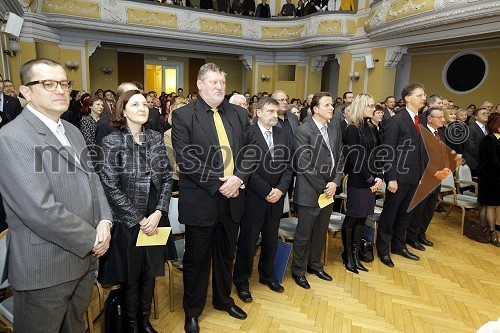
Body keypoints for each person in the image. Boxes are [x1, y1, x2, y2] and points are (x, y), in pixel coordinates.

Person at [0, 58, 112, 332]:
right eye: (48, 83)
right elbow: (39, 209)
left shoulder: (71, 130)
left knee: (74, 327)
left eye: (64, 83)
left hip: (84, 260)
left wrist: (105, 221)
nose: (60, 90)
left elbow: (93, 179)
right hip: (47, 266)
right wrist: (92, 238)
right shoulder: (12, 136)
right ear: (25, 91)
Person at [171, 63, 257, 333]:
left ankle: (223, 299)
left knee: (225, 255)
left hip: (233, 198)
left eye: (222, 82)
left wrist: (238, 178)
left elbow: (251, 150)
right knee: (196, 260)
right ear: (199, 85)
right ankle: (193, 311)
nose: (219, 87)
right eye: (213, 82)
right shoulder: (184, 115)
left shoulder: (239, 114)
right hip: (201, 200)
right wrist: (219, 184)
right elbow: (186, 159)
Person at [98, 89, 174, 333]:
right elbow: (109, 185)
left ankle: (144, 321)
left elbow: (166, 179)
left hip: (154, 217)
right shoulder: (112, 141)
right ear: (123, 110)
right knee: (131, 277)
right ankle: (131, 325)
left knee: (150, 273)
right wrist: (140, 218)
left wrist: (159, 212)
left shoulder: (155, 137)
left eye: (145, 104)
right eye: (135, 104)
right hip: (128, 220)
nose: (142, 108)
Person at [233, 97, 293, 303]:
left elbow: (288, 166)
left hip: (276, 198)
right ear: (258, 112)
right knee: (248, 243)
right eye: (269, 111)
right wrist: (267, 190)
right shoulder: (248, 134)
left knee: (270, 240)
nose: (274, 116)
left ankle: (267, 276)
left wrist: (280, 190)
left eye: (276, 112)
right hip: (255, 199)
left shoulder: (282, 133)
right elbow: (246, 168)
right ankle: (241, 281)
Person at [291, 92, 345, 289]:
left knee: (321, 231)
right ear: (315, 109)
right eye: (327, 105)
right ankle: (298, 270)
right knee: (304, 234)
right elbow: (304, 165)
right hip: (310, 191)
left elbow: (340, 157)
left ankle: (315, 265)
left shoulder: (334, 128)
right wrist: (326, 186)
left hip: (329, 190)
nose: (332, 108)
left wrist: (336, 182)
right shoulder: (303, 130)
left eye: (332, 104)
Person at [376, 83, 426, 268]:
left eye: (423, 95)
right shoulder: (396, 120)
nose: (423, 98)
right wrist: (392, 177)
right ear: (407, 98)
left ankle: (398, 244)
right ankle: (383, 249)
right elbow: (389, 151)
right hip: (399, 176)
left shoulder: (420, 119)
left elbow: (420, 150)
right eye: (419, 95)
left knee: (406, 213)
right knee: (390, 214)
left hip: (414, 176)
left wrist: (421, 174)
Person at [342, 94, 382, 274]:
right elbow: (354, 157)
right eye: (371, 105)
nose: (374, 109)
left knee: (362, 218)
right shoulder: (352, 129)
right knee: (353, 217)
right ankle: (348, 255)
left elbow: (376, 153)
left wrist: (379, 175)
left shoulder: (370, 127)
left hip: (371, 179)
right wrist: (370, 179)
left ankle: (356, 254)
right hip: (359, 180)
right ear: (362, 106)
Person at [406, 107, 448, 250]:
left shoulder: (441, 133)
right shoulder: (422, 134)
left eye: (443, 117)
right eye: (439, 117)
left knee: (430, 209)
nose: (443, 119)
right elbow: (420, 158)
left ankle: (421, 234)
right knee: (419, 210)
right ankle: (412, 237)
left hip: (437, 178)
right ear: (430, 119)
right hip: (424, 177)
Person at [478, 113, 500, 247]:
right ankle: (491, 234)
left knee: (492, 205)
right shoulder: (489, 139)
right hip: (489, 177)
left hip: (496, 177)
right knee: (490, 205)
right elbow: (492, 161)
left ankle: (485, 230)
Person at [463, 108, 490, 176]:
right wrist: (485, 157)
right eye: (483, 114)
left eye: (487, 113)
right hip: (475, 163)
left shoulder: (487, 128)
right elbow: (471, 147)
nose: (486, 115)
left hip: (484, 162)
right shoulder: (470, 128)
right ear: (476, 116)